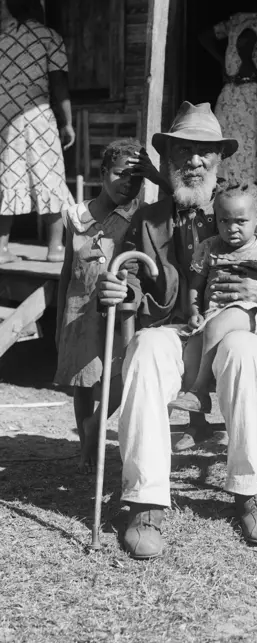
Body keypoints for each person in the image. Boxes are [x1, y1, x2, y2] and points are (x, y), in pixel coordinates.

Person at [98, 102, 257, 559]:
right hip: (175, 334)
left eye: (205, 152)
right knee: (143, 348)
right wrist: (117, 288)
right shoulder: (148, 221)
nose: (194, 161)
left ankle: (249, 491)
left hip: (231, 333)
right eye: (183, 151)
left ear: (220, 159)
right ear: (169, 159)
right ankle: (145, 502)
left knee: (244, 351)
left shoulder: (245, 210)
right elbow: (134, 287)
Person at [55, 139, 153, 472]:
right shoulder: (75, 215)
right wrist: (58, 321)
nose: (129, 183)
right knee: (83, 382)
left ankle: (96, 426)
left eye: (137, 178)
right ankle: (88, 450)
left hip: (118, 311)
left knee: (121, 376)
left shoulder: (140, 216)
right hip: (78, 308)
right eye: (121, 174)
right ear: (102, 173)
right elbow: (68, 271)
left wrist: (154, 177)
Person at [173, 182, 257, 413]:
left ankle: (199, 390)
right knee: (193, 348)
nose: (232, 228)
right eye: (224, 221)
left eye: (241, 221)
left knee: (221, 323)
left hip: (253, 314)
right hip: (213, 317)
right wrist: (195, 312)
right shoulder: (210, 248)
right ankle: (197, 420)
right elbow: (196, 286)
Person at [0, 0, 75, 263]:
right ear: (36, 5)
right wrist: (67, 122)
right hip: (37, 115)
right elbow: (58, 83)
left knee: (8, 175)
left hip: (5, 118)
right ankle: (55, 248)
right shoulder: (49, 37)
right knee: (49, 175)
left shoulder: (2, 40)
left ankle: (1, 248)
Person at [200, 12, 257, 184]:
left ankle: (242, 188)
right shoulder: (235, 21)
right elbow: (205, 36)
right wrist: (223, 61)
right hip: (236, 89)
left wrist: (242, 62)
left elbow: (245, 41)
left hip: (243, 90)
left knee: (242, 142)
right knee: (227, 141)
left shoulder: (256, 21)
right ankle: (225, 186)